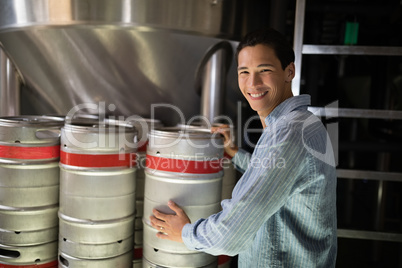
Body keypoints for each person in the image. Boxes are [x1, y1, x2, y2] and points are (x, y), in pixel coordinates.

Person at [150, 27, 337, 267]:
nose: (253, 83)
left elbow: (231, 235)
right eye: (244, 72)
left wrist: (185, 233)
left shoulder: (289, 132)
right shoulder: (300, 123)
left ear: (289, 71)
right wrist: (235, 152)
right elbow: (279, 178)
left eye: (264, 70)